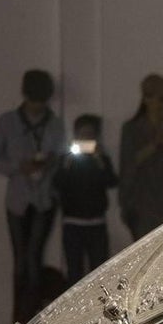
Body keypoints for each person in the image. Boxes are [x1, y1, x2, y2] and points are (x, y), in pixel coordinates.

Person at [0, 69, 67, 324]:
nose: (37, 107)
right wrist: (17, 167)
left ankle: (30, 320)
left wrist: (51, 163)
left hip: (44, 198)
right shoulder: (8, 122)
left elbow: (62, 153)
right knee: (20, 260)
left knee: (33, 258)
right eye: (34, 100)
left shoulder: (55, 124)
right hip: (18, 199)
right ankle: (15, 321)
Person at [118, 74, 163, 240]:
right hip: (140, 201)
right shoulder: (132, 129)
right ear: (147, 99)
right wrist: (154, 145)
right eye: (160, 100)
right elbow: (128, 163)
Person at [53, 114, 117, 284]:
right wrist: (67, 163)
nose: (86, 139)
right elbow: (57, 183)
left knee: (100, 273)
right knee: (74, 273)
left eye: (90, 135)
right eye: (82, 135)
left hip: (96, 223)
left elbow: (111, 181)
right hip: (72, 223)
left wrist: (99, 159)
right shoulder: (66, 160)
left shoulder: (101, 159)